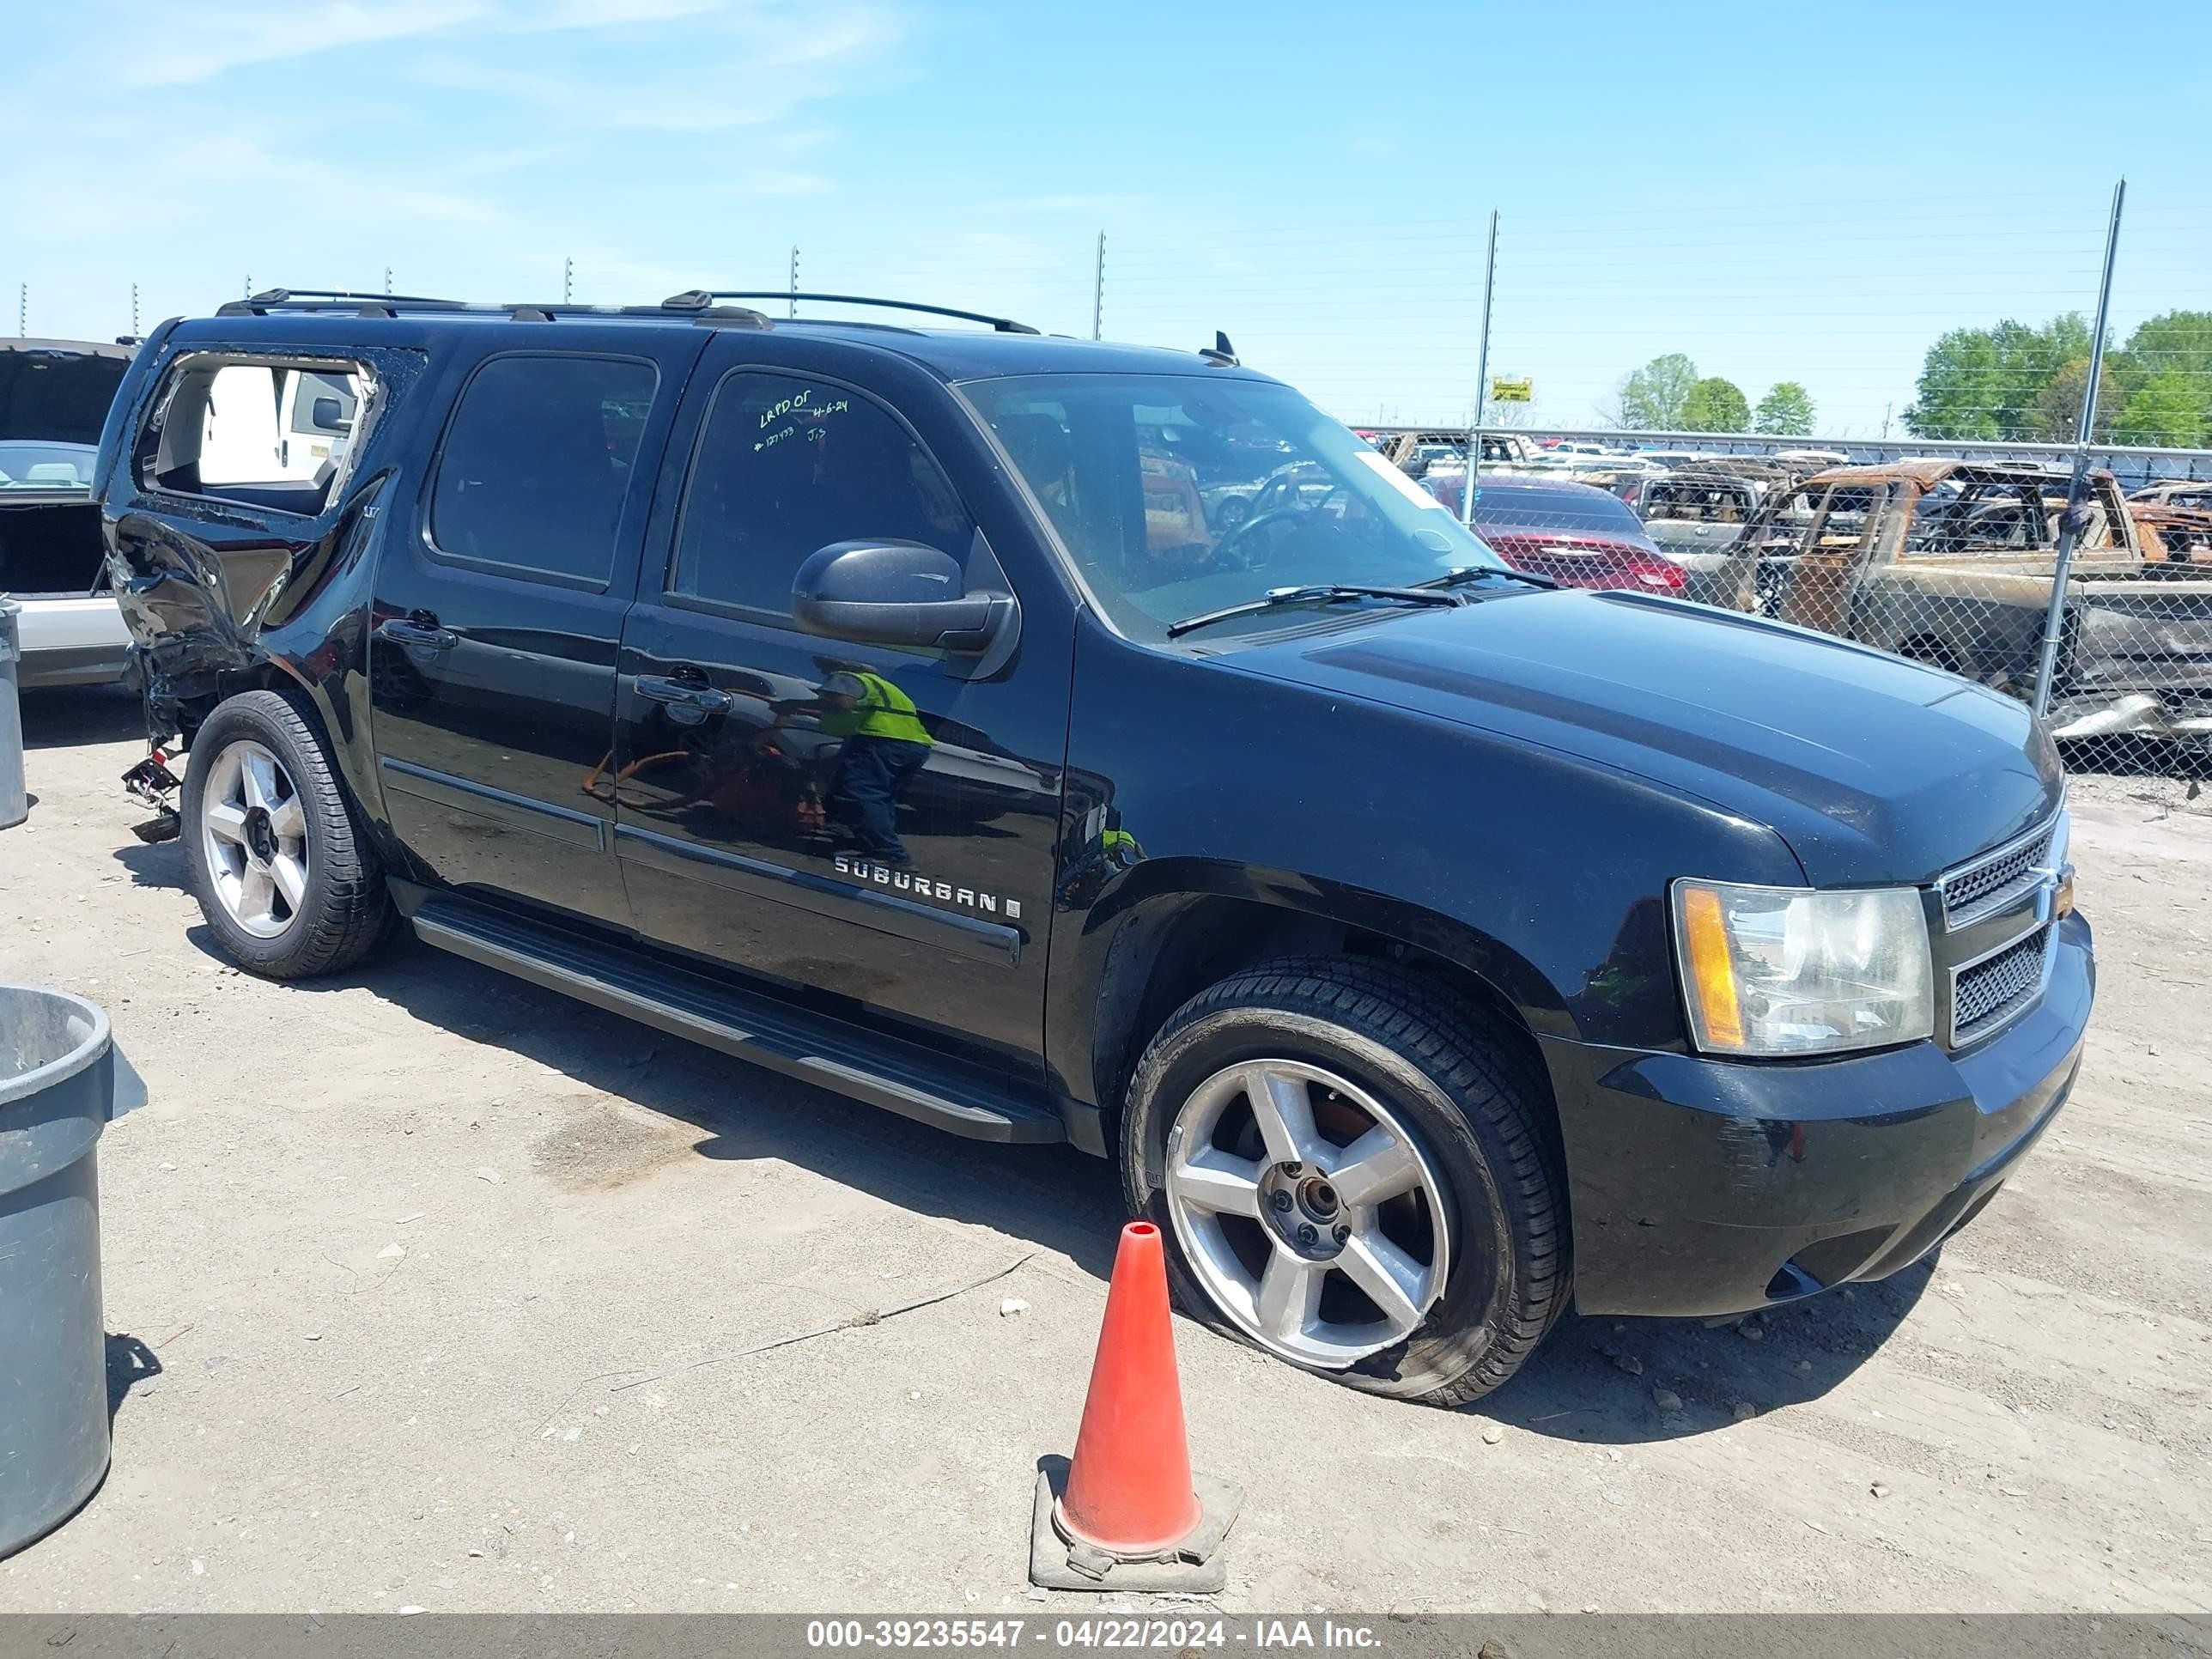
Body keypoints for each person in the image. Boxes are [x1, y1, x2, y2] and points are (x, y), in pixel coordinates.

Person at [768, 659, 934, 866]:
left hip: (878, 741)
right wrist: (798, 710)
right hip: (912, 746)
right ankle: (865, 842)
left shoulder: (845, 677)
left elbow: (840, 703)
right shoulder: (880, 685)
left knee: (860, 793)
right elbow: (849, 709)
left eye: (824, 666)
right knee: (880, 798)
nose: (822, 671)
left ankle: (890, 853)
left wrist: (794, 704)